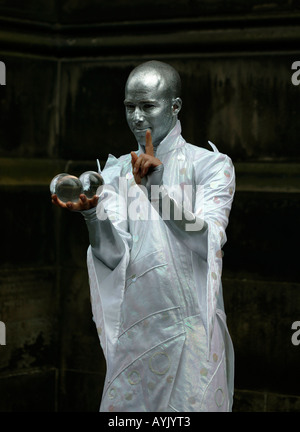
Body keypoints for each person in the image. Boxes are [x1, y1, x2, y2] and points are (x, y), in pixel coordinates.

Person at [52, 60, 235, 412]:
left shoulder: (211, 165)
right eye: (129, 106)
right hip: (137, 333)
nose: (137, 117)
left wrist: (158, 194)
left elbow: (208, 238)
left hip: (191, 328)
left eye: (147, 106)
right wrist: (92, 215)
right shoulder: (117, 170)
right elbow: (114, 256)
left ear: (174, 106)